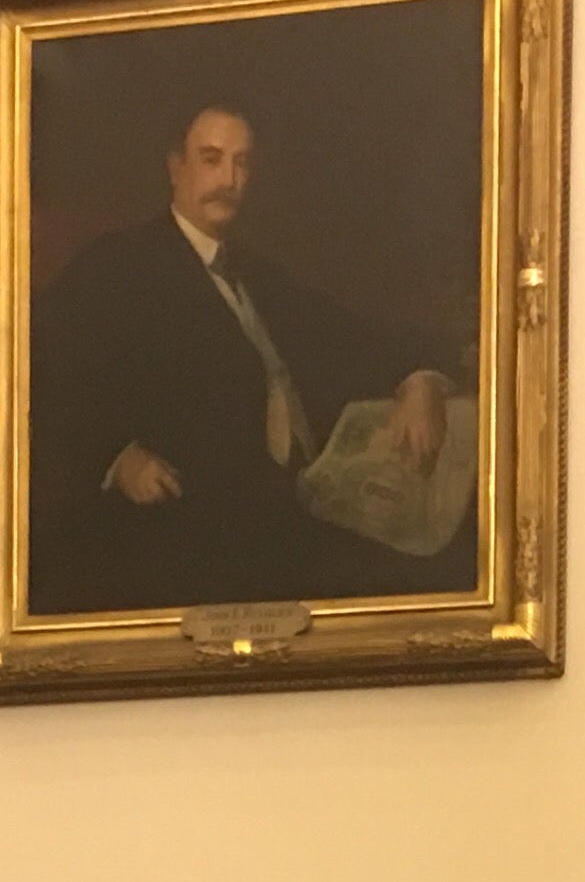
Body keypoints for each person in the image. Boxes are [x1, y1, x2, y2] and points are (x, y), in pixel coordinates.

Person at [31, 104, 466, 614]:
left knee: (437, 579)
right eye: (212, 160)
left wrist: (420, 381)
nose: (229, 179)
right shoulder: (120, 263)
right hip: (184, 533)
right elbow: (44, 368)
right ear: (177, 169)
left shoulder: (258, 273)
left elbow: (352, 334)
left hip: (293, 512)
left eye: (242, 164)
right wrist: (116, 457)